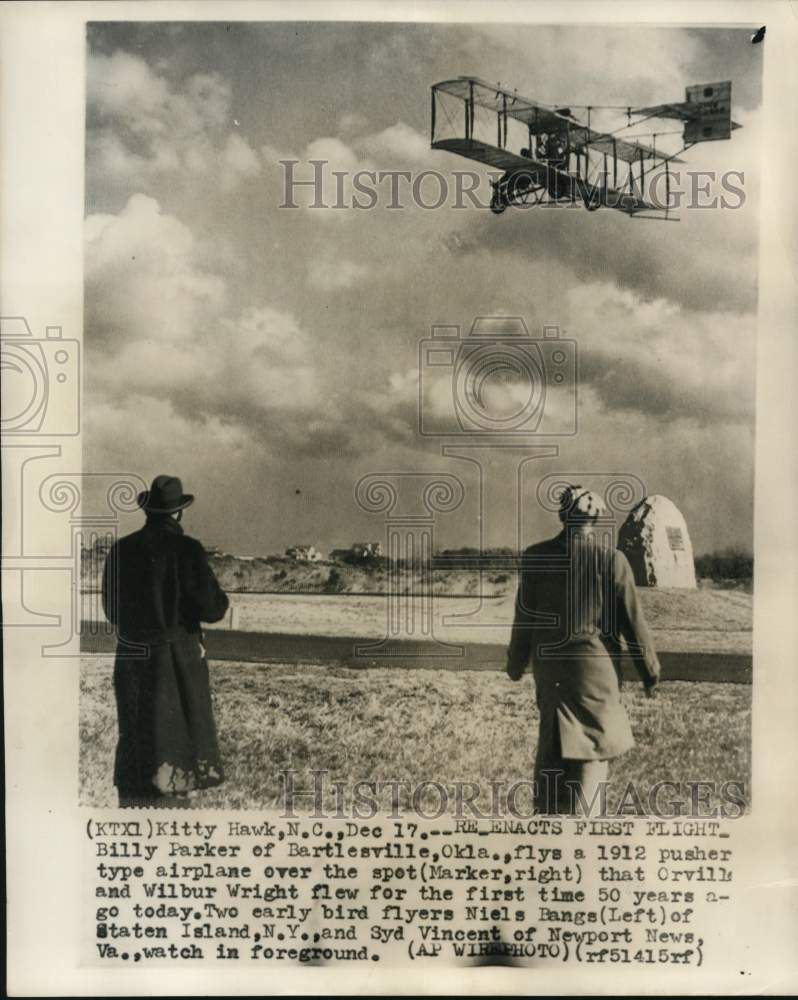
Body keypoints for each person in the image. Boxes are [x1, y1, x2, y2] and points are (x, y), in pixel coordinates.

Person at [506, 485, 659, 815]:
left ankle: (548, 818)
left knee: (552, 744)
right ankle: (582, 827)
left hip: (551, 674)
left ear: (563, 516)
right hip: (595, 677)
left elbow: (524, 620)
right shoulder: (612, 561)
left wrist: (516, 663)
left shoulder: (536, 557)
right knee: (591, 750)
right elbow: (633, 624)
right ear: (597, 518)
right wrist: (650, 673)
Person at [102, 474, 229, 808]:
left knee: (136, 732)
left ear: (148, 510)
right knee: (176, 735)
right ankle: (172, 808)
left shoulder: (121, 549)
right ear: (179, 513)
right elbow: (213, 608)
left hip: (132, 656)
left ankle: (134, 804)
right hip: (176, 658)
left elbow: (112, 611)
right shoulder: (188, 550)